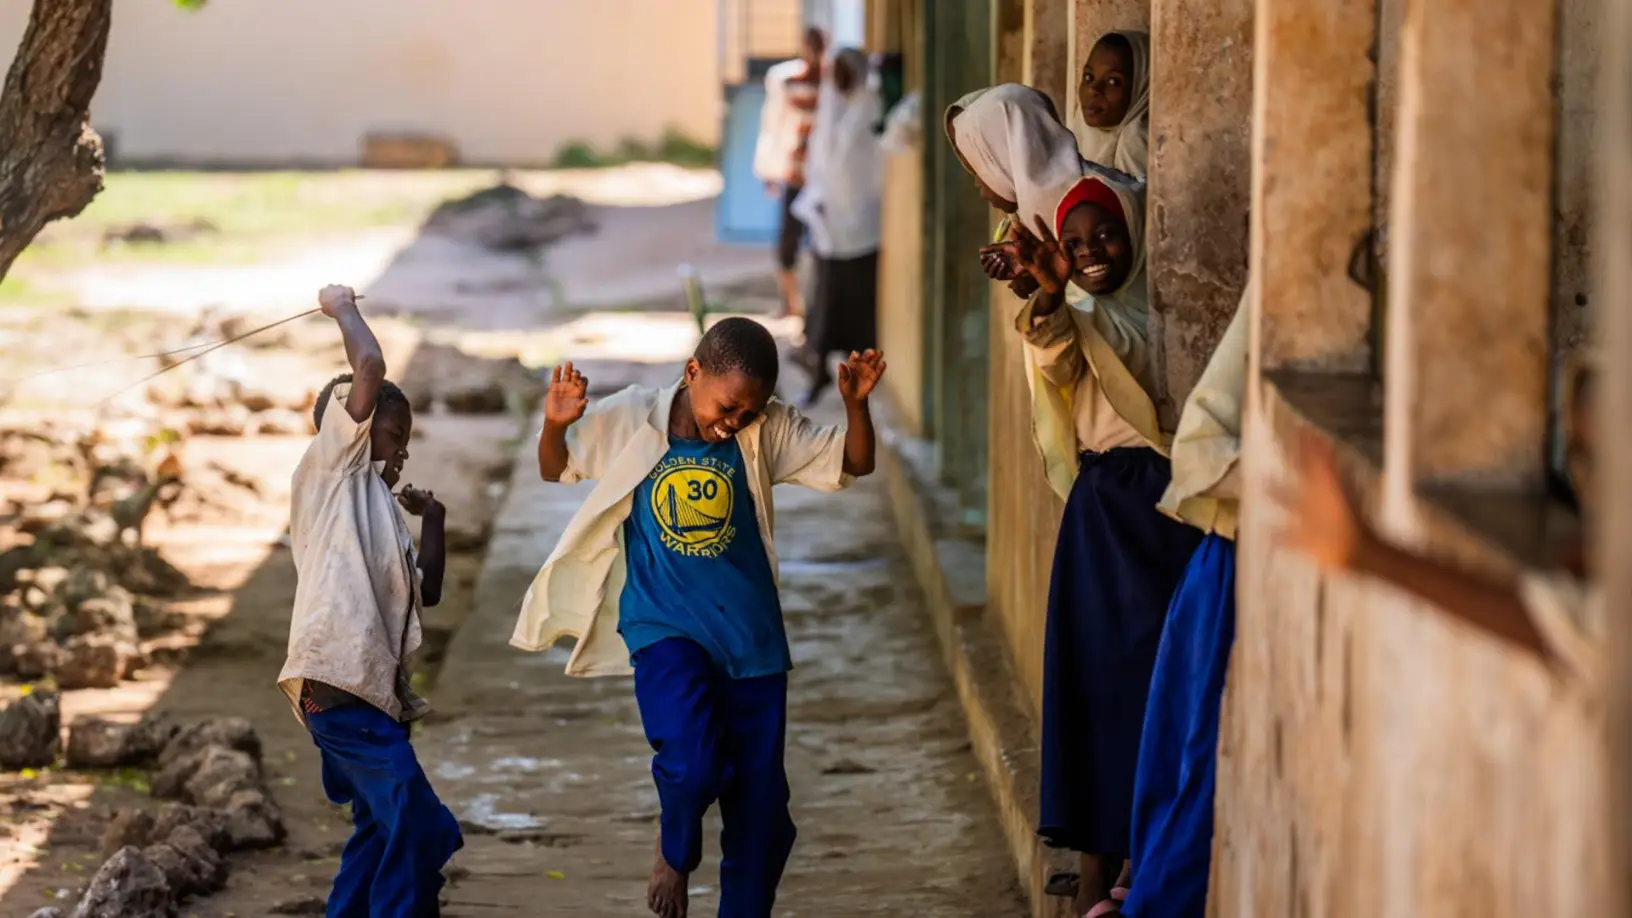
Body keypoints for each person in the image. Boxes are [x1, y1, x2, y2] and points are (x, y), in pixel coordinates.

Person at [513, 318, 886, 918]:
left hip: (752, 642)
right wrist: (557, 424)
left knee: (761, 816)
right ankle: (675, 848)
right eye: (728, 405)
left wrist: (855, 406)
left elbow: (854, 462)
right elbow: (556, 467)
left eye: (749, 410)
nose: (734, 421)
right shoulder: (632, 416)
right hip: (663, 630)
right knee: (691, 765)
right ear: (693, 373)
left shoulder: (768, 427)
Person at [983, 175, 1203, 916]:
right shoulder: (1070, 314)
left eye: (1106, 234)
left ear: (1137, 233)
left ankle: (1145, 865)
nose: (1092, 254)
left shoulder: (1167, 309)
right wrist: (1047, 296)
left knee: (1157, 686)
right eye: (1074, 245)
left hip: (1170, 515)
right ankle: (1090, 868)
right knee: (1093, 687)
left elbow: (1147, 364)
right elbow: (1054, 352)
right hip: (1104, 516)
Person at [277, 284, 463, 917]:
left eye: (406, 439)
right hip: (336, 688)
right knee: (421, 825)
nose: (399, 450)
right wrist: (340, 308)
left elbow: (428, 593)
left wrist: (432, 520)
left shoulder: (378, 509)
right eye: (389, 435)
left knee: (379, 830)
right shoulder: (332, 470)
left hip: (372, 697)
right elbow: (370, 368)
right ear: (351, 427)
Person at [791, 47, 884, 406]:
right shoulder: (831, 109)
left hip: (861, 230)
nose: (841, 81)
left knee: (857, 312)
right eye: (837, 74)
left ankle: (859, 383)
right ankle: (818, 375)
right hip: (828, 230)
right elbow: (821, 166)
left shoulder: (868, 107)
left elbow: (868, 167)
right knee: (823, 308)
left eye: (847, 73)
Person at [944, 82, 1086, 301]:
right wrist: (1037, 278)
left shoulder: (1083, 209)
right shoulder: (1033, 218)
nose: (975, 178)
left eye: (982, 159)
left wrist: (1048, 289)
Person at [754, 26, 827, 319]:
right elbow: (774, 125)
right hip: (797, 175)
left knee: (823, 243)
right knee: (788, 243)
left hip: (823, 179)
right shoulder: (787, 81)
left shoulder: (833, 80)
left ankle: (815, 306)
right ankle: (792, 303)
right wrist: (770, 169)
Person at [1073, 30, 1152, 178]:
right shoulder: (1077, 134)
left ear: (1141, 87)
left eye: (1113, 81)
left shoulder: (1139, 146)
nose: (1093, 89)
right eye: (1088, 76)